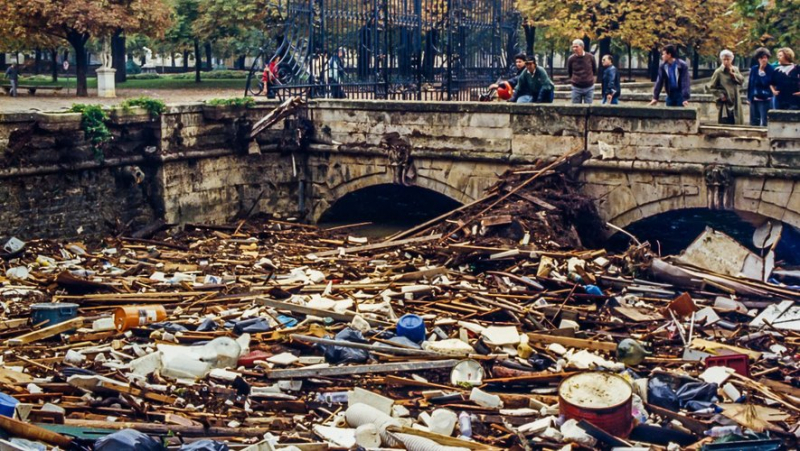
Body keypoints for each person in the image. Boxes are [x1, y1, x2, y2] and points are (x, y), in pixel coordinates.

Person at [708, 49, 744, 125]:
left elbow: (741, 81)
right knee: (725, 121)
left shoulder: (735, 69)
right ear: (721, 60)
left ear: (731, 60)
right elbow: (711, 87)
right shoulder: (718, 72)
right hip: (725, 101)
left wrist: (734, 75)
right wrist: (720, 95)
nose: (726, 61)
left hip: (735, 100)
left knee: (737, 121)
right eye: (724, 59)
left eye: (728, 59)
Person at [747, 47, 774, 126]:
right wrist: (749, 97)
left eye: (765, 57)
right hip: (754, 98)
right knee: (754, 121)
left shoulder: (770, 69)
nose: (763, 60)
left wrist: (762, 72)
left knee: (765, 121)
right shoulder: (754, 69)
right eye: (761, 58)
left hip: (765, 99)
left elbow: (766, 83)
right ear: (758, 59)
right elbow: (751, 84)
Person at [567, 39, 596, 104]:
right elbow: (569, 71)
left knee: (588, 108)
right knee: (575, 108)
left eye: (576, 47)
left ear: (582, 47)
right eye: (573, 47)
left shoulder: (590, 57)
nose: (574, 49)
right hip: (576, 87)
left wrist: (590, 78)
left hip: (589, 86)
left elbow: (594, 69)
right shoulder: (571, 59)